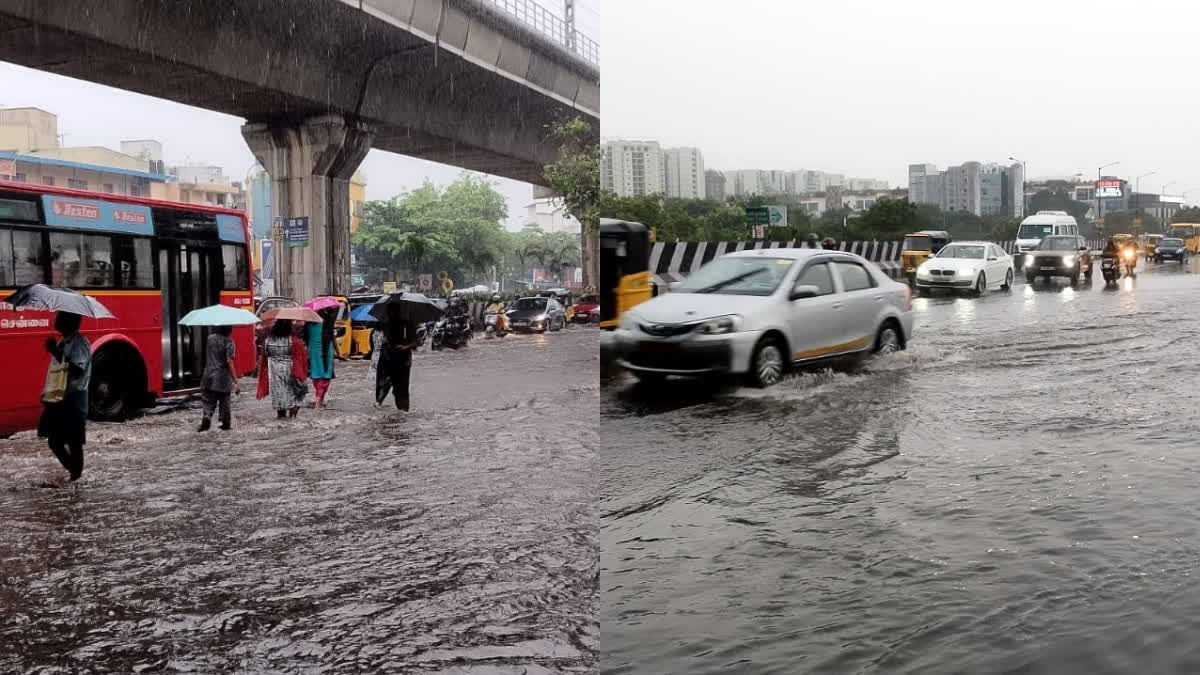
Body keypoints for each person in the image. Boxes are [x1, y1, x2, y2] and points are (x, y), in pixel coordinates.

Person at [37, 312, 91, 482]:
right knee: (54, 441)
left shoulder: (79, 343)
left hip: (74, 398)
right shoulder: (63, 343)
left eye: (60, 317)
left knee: (74, 442)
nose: (56, 319)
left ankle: (76, 478)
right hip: (59, 398)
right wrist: (46, 392)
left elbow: (77, 370)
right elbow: (56, 373)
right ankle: (74, 474)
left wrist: (55, 352)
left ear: (69, 321)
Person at [256, 318, 308, 418]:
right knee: (297, 394)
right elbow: (301, 357)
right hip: (290, 371)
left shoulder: (268, 340)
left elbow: (265, 355)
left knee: (279, 398)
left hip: (274, 373)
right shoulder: (293, 340)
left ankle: (281, 419)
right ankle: (293, 418)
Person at [198, 325, 239, 431]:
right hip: (222, 378)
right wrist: (235, 380)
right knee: (224, 401)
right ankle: (225, 423)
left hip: (208, 376)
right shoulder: (229, 342)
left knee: (207, 400)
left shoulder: (210, 338)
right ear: (229, 329)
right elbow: (229, 361)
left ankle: (207, 416)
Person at [377, 314, 419, 411]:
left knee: (403, 390)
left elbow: (415, 343)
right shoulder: (389, 326)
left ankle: (404, 412)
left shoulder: (408, 324)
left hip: (404, 361)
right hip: (392, 360)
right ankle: (401, 412)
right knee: (396, 390)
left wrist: (405, 347)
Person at [305, 307, 337, 408]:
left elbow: (305, 339)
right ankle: (319, 400)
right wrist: (339, 353)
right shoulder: (328, 323)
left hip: (313, 352)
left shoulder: (309, 324)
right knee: (326, 375)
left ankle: (320, 398)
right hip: (327, 351)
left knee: (316, 375)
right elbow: (333, 338)